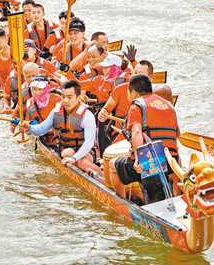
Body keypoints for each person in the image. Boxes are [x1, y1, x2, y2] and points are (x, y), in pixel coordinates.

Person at [110, 74, 180, 204]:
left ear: (133, 92)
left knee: (112, 165)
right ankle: (175, 196)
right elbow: (177, 134)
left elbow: (137, 131)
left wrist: (138, 158)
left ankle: (122, 204)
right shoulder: (169, 106)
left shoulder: (136, 106)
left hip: (150, 162)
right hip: (171, 162)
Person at [21, 80, 101, 175]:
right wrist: (29, 127)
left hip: (86, 152)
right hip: (64, 150)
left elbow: (89, 143)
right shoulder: (56, 111)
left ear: (78, 97)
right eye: (63, 97)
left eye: (69, 97)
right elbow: (40, 130)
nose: (65, 100)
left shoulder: (87, 115)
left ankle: (101, 177)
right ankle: (93, 172)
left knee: (76, 158)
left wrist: (74, 158)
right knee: (67, 153)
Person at [25, 75, 62, 145]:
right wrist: (25, 126)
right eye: (34, 89)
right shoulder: (29, 102)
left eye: (40, 89)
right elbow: (28, 121)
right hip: (41, 135)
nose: (36, 92)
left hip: (58, 136)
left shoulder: (57, 99)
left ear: (46, 89)